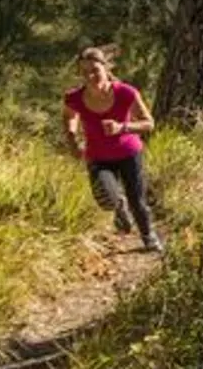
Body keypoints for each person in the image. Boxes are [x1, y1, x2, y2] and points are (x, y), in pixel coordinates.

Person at [64, 46, 163, 253]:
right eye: (84, 72)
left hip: (128, 153)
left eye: (95, 70)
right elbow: (69, 117)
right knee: (105, 199)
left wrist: (122, 127)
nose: (90, 76)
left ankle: (149, 237)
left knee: (137, 200)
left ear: (106, 68)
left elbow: (149, 123)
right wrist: (73, 140)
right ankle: (119, 207)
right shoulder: (74, 97)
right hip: (97, 156)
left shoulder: (125, 93)